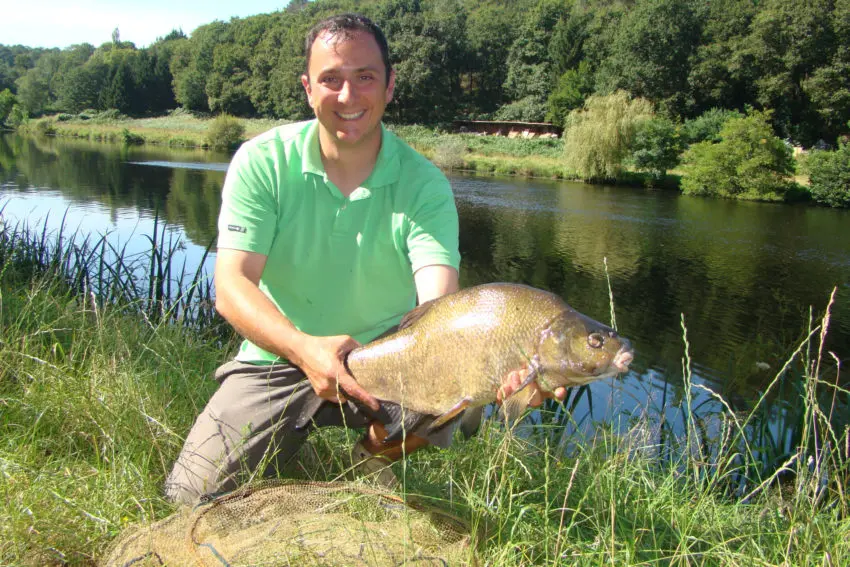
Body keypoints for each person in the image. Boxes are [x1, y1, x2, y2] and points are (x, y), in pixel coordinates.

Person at [165, 13, 565, 505]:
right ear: (308, 88)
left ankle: (372, 455)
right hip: (281, 354)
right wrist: (303, 349)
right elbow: (231, 287)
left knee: (459, 397)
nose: (348, 97)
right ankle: (293, 441)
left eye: (365, 77)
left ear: (390, 86)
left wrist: (487, 366)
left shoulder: (424, 184)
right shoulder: (261, 161)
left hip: (392, 358)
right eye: (331, 79)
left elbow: (439, 300)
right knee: (189, 495)